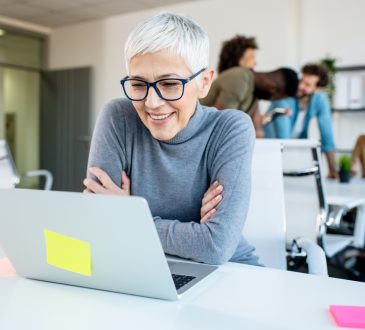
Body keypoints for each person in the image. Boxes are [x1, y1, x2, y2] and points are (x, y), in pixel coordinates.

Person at [83, 12, 260, 266]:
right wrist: (193, 231)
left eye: (169, 84)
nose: (151, 103)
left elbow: (215, 245)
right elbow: (98, 225)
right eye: (138, 84)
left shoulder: (230, 128)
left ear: (204, 82)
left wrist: (130, 214)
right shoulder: (118, 117)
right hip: (138, 265)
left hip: (228, 272)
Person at [266, 63, 337, 178]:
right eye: (301, 80)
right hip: (270, 148)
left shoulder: (320, 99)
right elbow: (283, 138)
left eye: (307, 84)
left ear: (317, 89)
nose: (300, 86)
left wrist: (332, 170)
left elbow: (327, 134)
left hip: (291, 150)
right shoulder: (285, 95)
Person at [200, 63, 298, 137]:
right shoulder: (240, 80)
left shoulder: (254, 92)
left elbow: (255, 128)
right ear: (272, 88)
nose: (270, 100)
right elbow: (220, 124)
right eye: (275, 98)